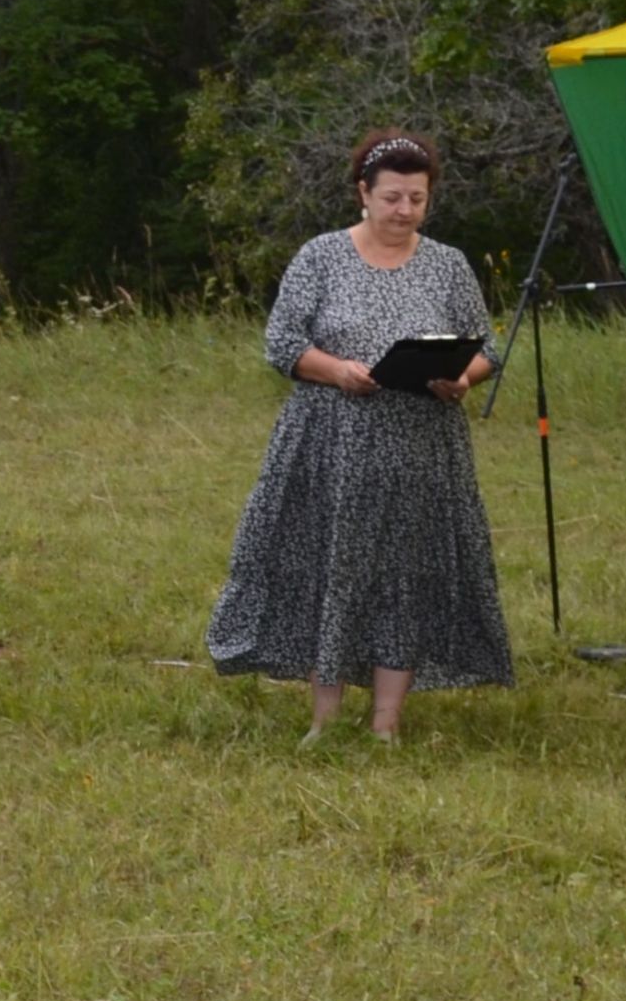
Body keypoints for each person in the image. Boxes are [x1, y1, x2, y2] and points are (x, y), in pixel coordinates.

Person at [207, 128, 513, 741]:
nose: (404, 211)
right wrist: (338, 370)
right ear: (363, 195)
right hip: (331, 444)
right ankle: (324, 722)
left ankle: (386, 724)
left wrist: (463, 379)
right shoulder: (320, 256)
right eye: (393, 197)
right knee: (333, 569)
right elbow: (283, 343)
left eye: (417, 199)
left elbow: (487, 348)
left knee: (405, 576)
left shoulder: (448, 265)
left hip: (421, 446)